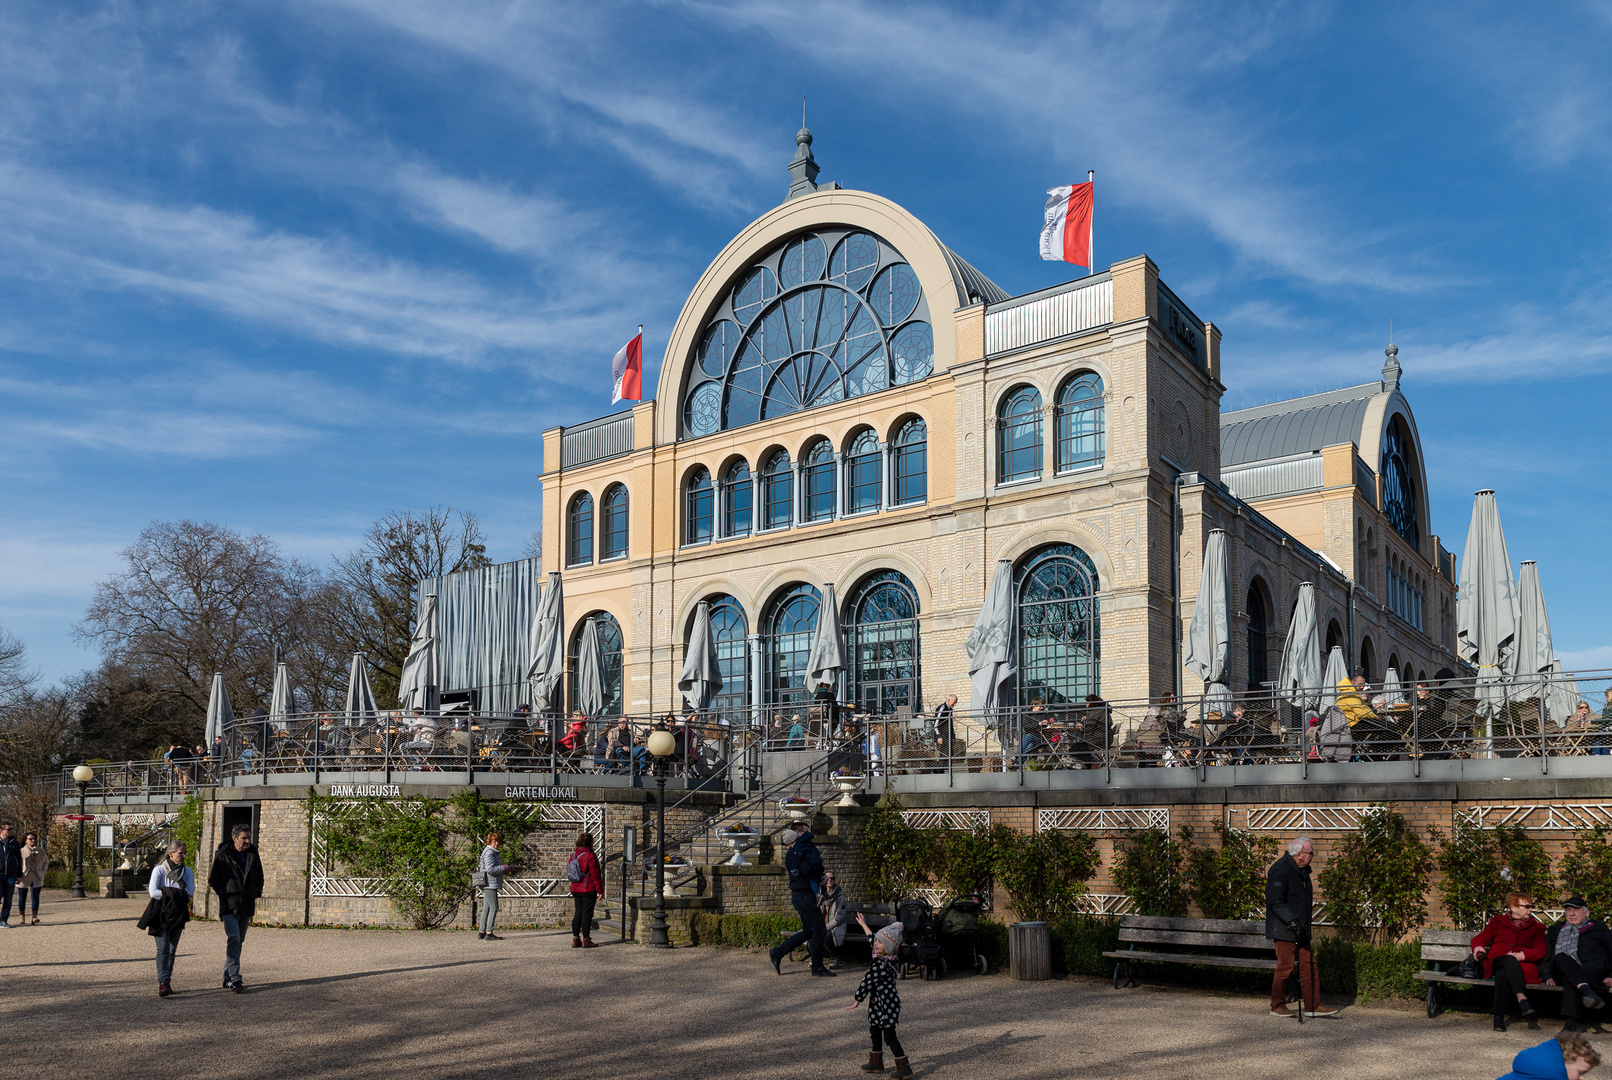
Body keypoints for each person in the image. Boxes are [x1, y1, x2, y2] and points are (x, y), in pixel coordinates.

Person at [1265, 835, 1336, 1017]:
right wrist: (1292, 921)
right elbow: (1276, 902)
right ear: (1298, 854)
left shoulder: (1302, 871)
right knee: (1286, 966)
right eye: (1310, 852)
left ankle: (1313, 1005)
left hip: (1301, 928)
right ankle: (1277, 1004)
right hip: (1284, 928)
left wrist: (1301, 925)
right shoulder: (1280, 870)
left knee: (1308, 965)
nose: (1313, 855)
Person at [848, 913, 912, 1078]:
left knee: (889, 1036)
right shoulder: (885, 956)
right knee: (874, 1030)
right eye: (876, 942)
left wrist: (857, 1000)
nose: (875, 944)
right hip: (878, 1005)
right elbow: (871, 938)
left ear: (889, 947)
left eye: (879, 943)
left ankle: (903, 1067)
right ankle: (876, 1062)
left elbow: (867, 981)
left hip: (887, 1006)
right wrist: (863, 924)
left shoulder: (881, 965)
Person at [1473, 892, 1548, 1030]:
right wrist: (1478, 946)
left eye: (1531, 906)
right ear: (1513, 907)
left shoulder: (1537, 928)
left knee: (1503, 973)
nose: (1530, 909)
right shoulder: (1498, 921)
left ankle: (1498, 1017)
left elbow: (1541, 950)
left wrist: (1522, 955)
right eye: (1526, 906)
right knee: (1506, 961)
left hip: (1521, 967)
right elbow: (1482, 937)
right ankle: (1522, 999)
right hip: (1496, 961)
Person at [768, 819, 833, 976]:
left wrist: (820, 877)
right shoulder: (796, 853)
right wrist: (820, 874)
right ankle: (816, 967)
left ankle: (778, 952)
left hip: (800, 895)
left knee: (809, 931)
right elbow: (807, 870)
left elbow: (806, 871)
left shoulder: (794, 852)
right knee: (820, 931)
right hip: (804, 896)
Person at [207, 823, 263, 992]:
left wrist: (255, 892)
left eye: (248, 838)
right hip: (230, 904)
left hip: (246, 903)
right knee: (234, 939)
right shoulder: (222, 854)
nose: (247, 841)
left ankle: (226, 977)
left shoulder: (253, 853)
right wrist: (225, 894)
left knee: (239, 942)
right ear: (234, 838)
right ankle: (235, 979)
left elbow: (259, 876)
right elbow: (213, 879)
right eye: (243, 838)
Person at [1544, 898, 1612, 1032]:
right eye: (1568, 910)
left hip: (1591, 971)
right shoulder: (1556, 930)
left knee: (1573, 977)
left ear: (1587, 913)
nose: (1571, 914)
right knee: (1562, 957)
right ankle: (1587, 991)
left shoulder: (1599, 929)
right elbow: (1547, 956)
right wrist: (1547, 975)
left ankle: (1570, 1024)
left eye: (1576, 910)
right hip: (1560, 969)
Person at [139, 840, 193, 997]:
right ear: (170, 853)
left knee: (171, 949)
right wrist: (175, 894)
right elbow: (153, 892)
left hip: (178, 913)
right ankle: (163, 982)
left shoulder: (187, 871)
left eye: (185, 853)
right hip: (161, 912)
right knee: (162, 949)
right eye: (180, 853)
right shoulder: (158, 870)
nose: (183, 856)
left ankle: (166, 979)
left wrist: (168, 892)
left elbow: (189, 894)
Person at [1496, 1033, 1601, 1080]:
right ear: (1561, 1064)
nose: (1582, 1078)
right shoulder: (1549, 1076)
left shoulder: (1539, 1071)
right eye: (1581, 1072)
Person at [568, 831, 602, 948]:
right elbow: (595, 875)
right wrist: (600, 891)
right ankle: (586, 939)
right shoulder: (590, 856)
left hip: (575, 888)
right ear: (590, 843)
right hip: (588, 889)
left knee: (578, 913)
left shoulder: (573, 855)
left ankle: (575, 939)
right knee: (587, 914)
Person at [477, 832, 509, 941]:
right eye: (494, 841)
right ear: (489, 842)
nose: (496, 844)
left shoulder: (490, 852)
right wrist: (503, 868)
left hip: (489, 883)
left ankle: (482, 931)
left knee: (486, 907)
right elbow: (490, 869)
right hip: (490, 883)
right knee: (494, 907)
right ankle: (489, 933)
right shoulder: (490, 853)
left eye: (497, 842)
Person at [820, 869, 847, 970]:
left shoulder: (840, 897)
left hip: (836, 926)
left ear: (835, 881)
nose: (829, 880)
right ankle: (816, 957)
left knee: (826, 936)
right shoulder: (820, 896)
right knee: (811, 935)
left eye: (832, 878)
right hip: (823, 925)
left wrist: (825, 927)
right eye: (827, 878)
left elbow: (839, 918)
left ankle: (834, 957)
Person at [18, 831, 46, 925]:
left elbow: (46, 862)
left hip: (37, 875)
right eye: (30, 839)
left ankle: (34, 916)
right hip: (24, 875)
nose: (33, 840)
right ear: (25, 840)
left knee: (35, 897)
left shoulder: (41, 851)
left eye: (34, 839)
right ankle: (22, 917)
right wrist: (18, 874)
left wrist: (43, 871)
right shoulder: (21, 851)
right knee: (22, 897)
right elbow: (17, 864)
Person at [0, 821, 22, 928]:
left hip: (11, 875)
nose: (11, 831)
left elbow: (19, 859)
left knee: (8, 899)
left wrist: (19, 875)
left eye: (12, 829)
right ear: (1, 830)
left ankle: (3, 920)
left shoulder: (14, 843)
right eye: (8, 829)